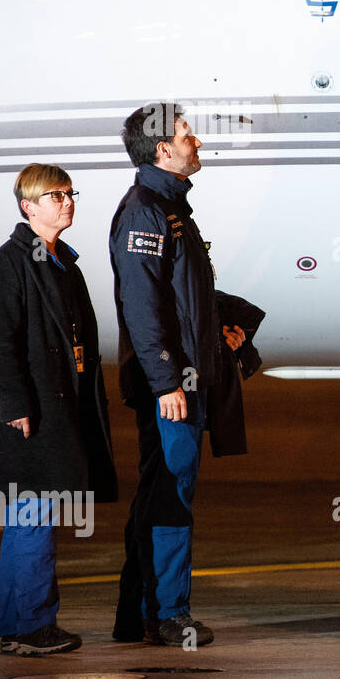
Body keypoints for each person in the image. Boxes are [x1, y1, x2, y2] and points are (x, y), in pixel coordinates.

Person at [109, 103, 247, 647]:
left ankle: (137, 615)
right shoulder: (145, 212)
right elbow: (142, 307)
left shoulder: (169, 210)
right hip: (172, 389)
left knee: (162, 493)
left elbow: (182, 300)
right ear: (163, 149)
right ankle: (168, 614)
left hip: (184, 379)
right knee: (169, 496)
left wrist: (222, 330)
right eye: (188, 135)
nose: (198, 142)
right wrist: (167, 382)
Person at [0, 165, 117, 656]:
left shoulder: (63, 262)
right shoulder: (8, 266)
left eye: (69, 193)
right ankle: (27, 627)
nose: (66, 202)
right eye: (54, 195)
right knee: (31, 517)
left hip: (58, 409)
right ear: (28, 206)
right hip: (31, 416)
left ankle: (26, 624)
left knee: (36, 515)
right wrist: (17, 405)